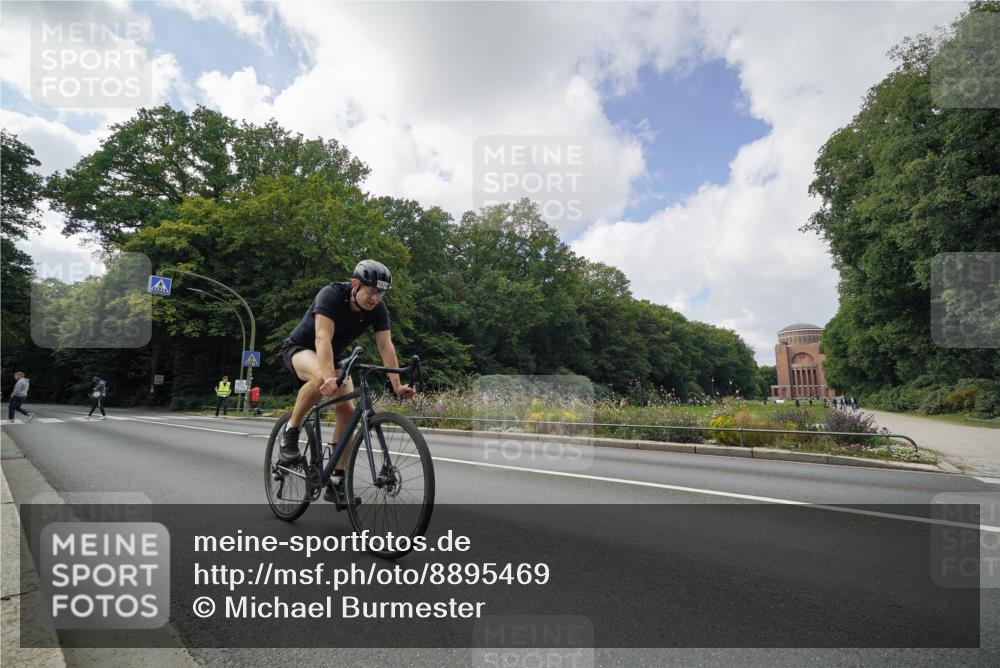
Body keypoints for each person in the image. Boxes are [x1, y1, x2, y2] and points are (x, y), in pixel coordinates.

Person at [279, 260, 415, 504]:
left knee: (347, 410)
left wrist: (397, 385)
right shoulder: (331, 294)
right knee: (319, 377)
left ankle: (336, 480)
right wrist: (329, 377)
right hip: (301, 348)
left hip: (335, 356)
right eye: (371, 291)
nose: (375, 298)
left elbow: (385, 345)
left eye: (381, 293)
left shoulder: (378, 309)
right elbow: (322, 337)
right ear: (355, 284)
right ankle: (291, 429)